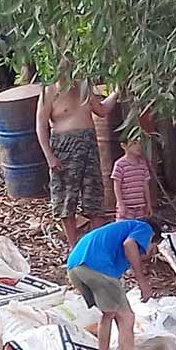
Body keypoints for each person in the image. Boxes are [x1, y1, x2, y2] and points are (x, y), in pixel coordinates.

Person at [65, 218, 157, 350]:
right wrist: (142, 282)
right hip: (95, 266)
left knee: (108, 313)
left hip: (74, 267)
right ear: (153, 237)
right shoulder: (144, 227)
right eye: (153, 247)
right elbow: (129, 245)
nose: (149, 252)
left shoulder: (118, 230)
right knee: (127, 317)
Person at [37, 76, 111, 244]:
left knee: (94, 198)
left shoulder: (84, 86)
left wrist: (116, 92)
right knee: (65, 199)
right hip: (64, 148)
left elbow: (102, 110)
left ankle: (97, 246)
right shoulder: (49, 91)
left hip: (89, 146)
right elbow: (40, 125)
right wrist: (49, 156)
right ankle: (74, 247)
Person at [110, 131, 155, 221]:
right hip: (126, 208)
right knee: (123, 229)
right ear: (124, 146)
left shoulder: (143, 164)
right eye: (134, 143)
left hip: (140, 207)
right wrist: (120, 203)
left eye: (140, 143)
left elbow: (145, 185)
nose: (138, 146)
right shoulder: (120, 164)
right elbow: (117, 186)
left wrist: (148, 204)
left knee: (138, 229)